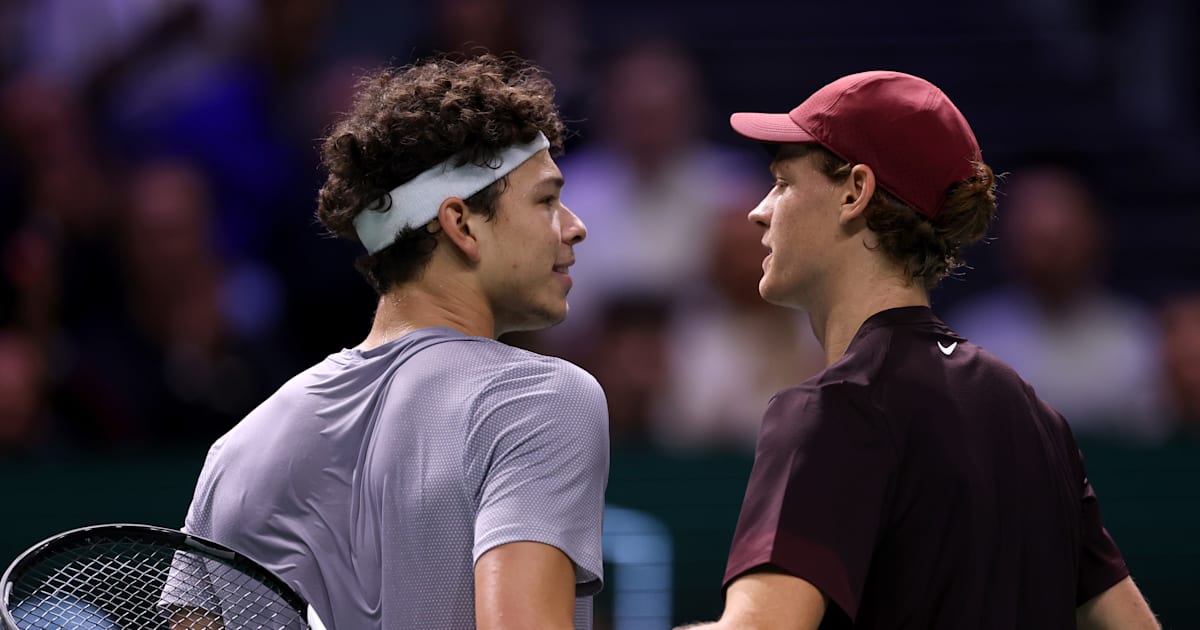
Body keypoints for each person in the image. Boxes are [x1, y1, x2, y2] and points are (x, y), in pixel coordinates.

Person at [678, 71, 1158, 629]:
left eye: (783, 184)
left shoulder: (834, 409)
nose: (759, 211)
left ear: (855, 192)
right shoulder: (1036, 417)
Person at [180, 55, 608, 629]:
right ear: (460, 224)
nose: (574, 226)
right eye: (546, 200)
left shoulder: (235, 453)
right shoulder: (539, 400)